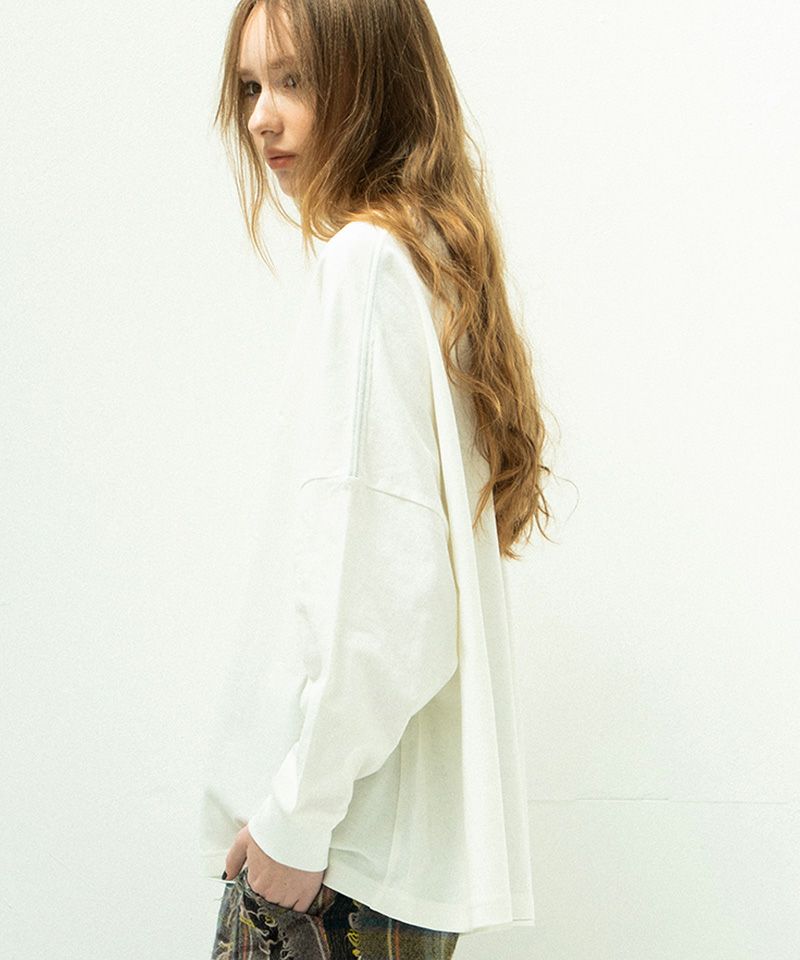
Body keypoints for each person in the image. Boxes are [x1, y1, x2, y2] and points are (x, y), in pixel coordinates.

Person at [199, 1, 554, 957]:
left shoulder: (366, 264)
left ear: (373, 80)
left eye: (295, 80)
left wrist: (296, 819)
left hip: (337, 866)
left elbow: (387, 606)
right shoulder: (431, 262)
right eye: (250, 86)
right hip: (390, 871)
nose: (262, 117)